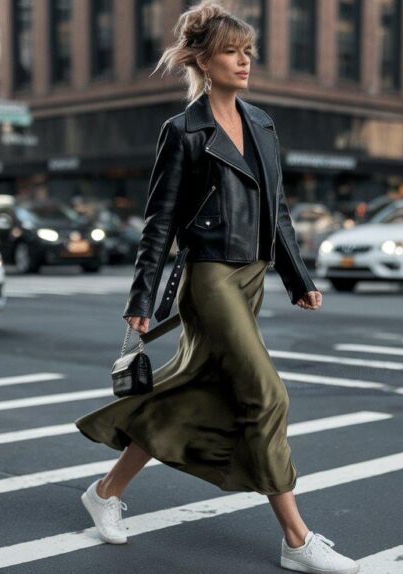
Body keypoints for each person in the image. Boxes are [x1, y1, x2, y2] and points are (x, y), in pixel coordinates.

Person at [74, 2, 358, 573]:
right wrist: (141, 302)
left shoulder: (262, 124)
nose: (244, 60)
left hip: (250, 278)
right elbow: (160, 223)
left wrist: (297, 277)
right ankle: (297, 539)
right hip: (209, 279)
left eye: (248, 51)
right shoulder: (182, 132)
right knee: (267, 394)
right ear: (203, 60)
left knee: (192, 394)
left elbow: (276, 212)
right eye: (233, 51)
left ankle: (105, 492)